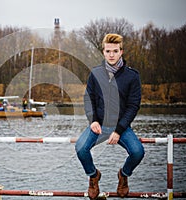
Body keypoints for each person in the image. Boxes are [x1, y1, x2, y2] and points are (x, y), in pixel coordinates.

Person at [75, 33, 145, 199]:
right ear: (103, 52)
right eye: (108, 51)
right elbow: (88, 99)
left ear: (121, 51)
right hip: (98, 125)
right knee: (80, 148)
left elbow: (133, 106)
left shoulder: (132, 76)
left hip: (121, 127)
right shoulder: (95, 73)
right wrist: (93, 121)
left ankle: (123, 176)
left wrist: (119, 130)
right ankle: (93, 176)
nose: (111, 54)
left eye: (115, 51)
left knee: (138, 152)